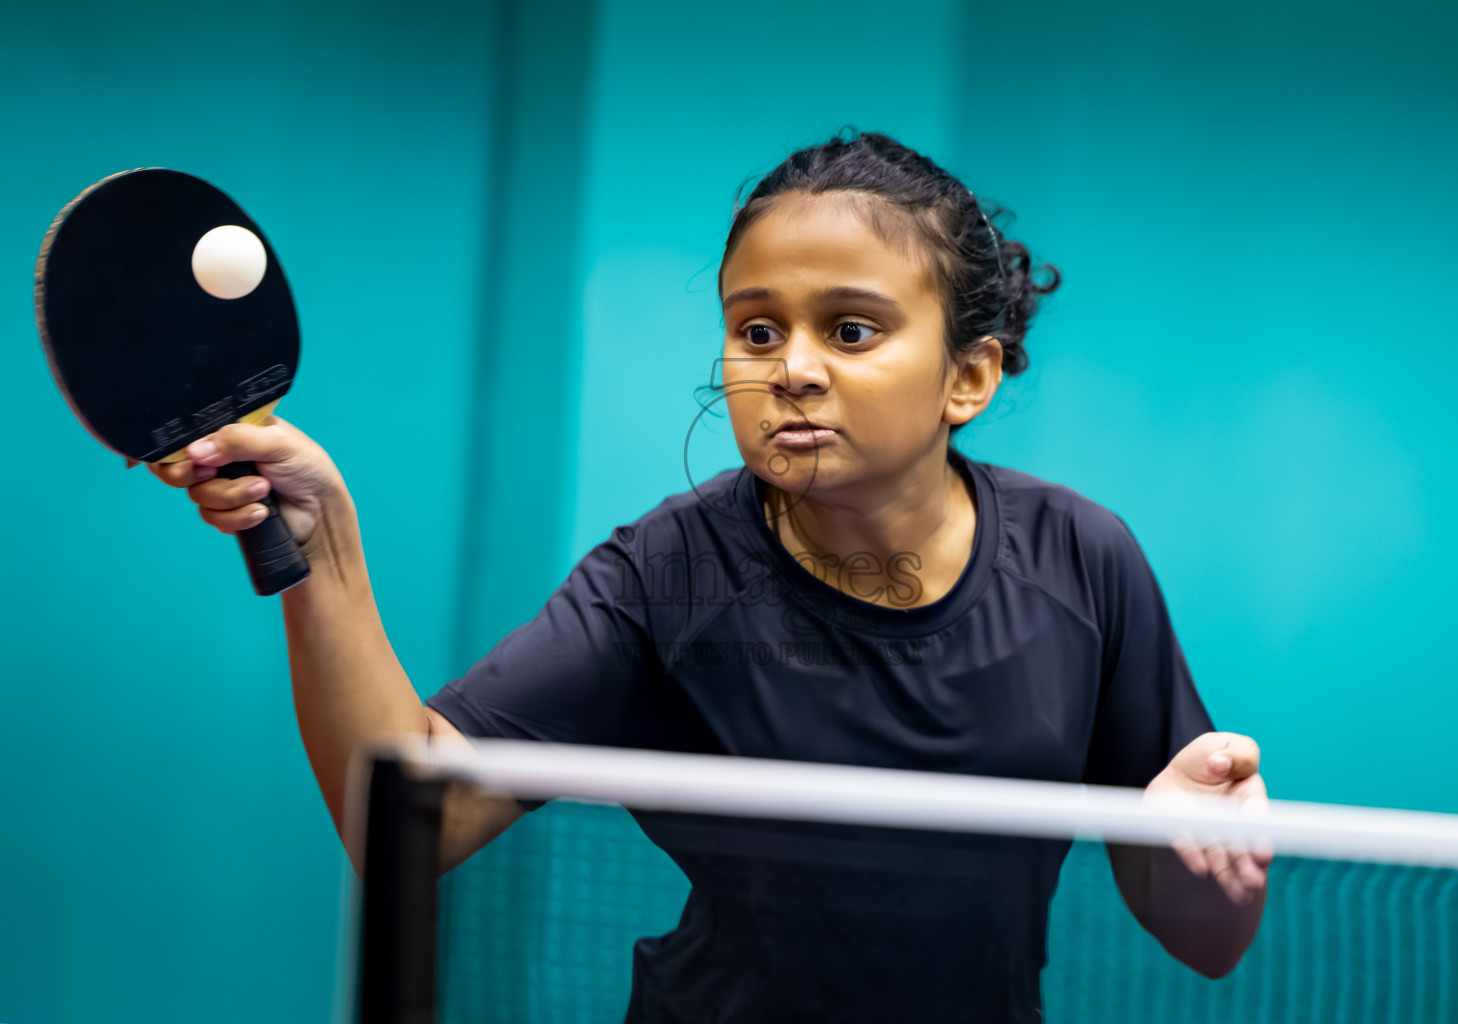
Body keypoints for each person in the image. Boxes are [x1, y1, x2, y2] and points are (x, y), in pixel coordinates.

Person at [152, 130, 1270, 1022]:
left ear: (967, 378)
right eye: (757, 330)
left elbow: (1207, 944)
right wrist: (324, 552)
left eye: (851, 330)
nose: (792, 369)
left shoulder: (1081, 560)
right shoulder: (672, 573)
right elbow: (410, 819)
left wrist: (1206, 861)